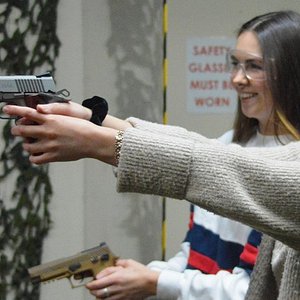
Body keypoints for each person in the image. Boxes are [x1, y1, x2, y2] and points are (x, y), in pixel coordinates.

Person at [3, 10, 300, 300]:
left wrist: (156, 282)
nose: (237, 78)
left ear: (290, 72)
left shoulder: (281, 172)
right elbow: (201, 156)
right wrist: (94, 118)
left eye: (255, 66)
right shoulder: (230, 145)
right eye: (235, 63)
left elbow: (253, 286)